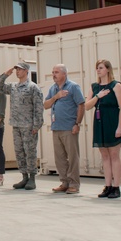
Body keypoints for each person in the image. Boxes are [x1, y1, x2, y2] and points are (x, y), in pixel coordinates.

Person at [0, 63, 44, 191]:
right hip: (16, 124)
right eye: (16, 69)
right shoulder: (13, 87)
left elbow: (38, 107)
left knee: (30, 152)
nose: (17, 72)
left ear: (26, 71)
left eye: (20, 69)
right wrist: (6, 74)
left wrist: (37, 125)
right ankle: (24, 176)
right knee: (19, 152)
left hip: (28, 126)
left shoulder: (33, 87)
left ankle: (32, 178)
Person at [85, 59, 121, 199]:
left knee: (114, 155)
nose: (98, 70)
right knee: (104, 156)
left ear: (108, 69)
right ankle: (107, 185)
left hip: (113, 122)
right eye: (97, 68)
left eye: (101, 67)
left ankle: (116, 187)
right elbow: (87, 106)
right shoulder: (94, 87)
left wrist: (119, 127)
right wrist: (97, 96)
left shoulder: (116, 86)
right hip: (99, 123)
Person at [44, 64, 85, 194]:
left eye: (56, 72)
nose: (54, 75)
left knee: (72, 157)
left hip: (69, 127)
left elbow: (81, 105)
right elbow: (45, 105)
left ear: (64, 74)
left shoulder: (73, 87)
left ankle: (74, 184)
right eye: (52, 72)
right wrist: (56, 96)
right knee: (60, 158)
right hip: (56, 127)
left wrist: (77, 123)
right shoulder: (53, 89)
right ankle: (64, 182)